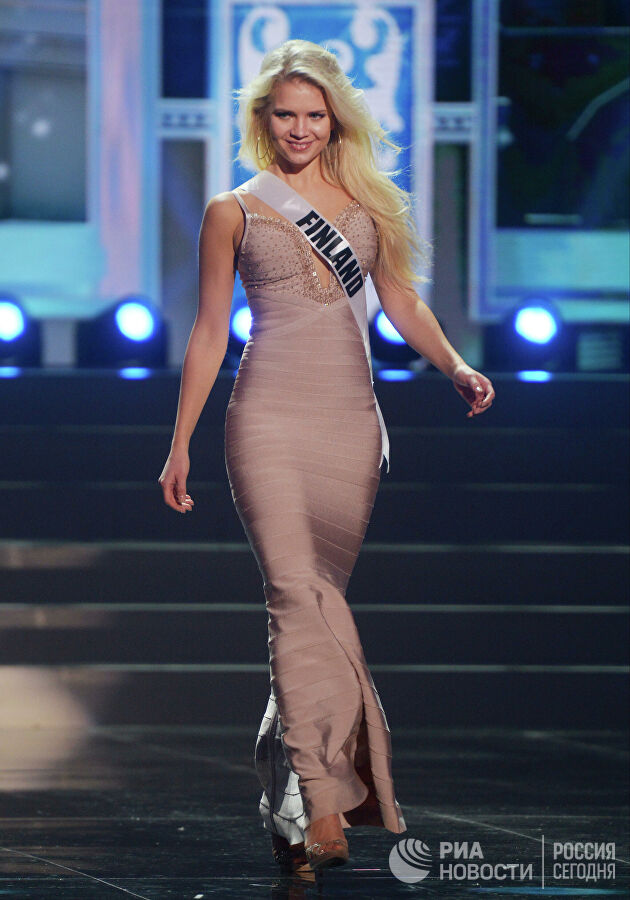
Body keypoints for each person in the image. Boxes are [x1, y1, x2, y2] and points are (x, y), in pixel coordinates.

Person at [158, 38, 495, 873]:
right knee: (293, 593)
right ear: (263, 120)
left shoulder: (367, 206)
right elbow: (208, 332)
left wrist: (455, 366)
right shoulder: (232, 210)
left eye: (314, 115)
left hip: (348, 423)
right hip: (265, 417)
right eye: (286, 114)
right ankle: (324, 800)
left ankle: (291, 800)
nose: (300, 128)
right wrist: (179, 442)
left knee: (318, 608)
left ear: (335, 120)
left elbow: (403, 303)